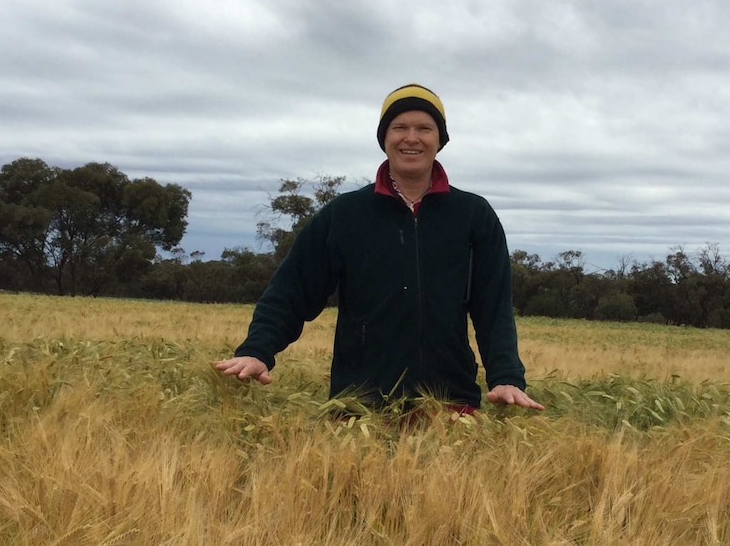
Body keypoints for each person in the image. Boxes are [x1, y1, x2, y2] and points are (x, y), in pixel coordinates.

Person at [215, 83, 543, 412]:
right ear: (384, 139)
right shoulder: (344, 214)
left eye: (424, 128)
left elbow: (494, 307)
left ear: (440, 140)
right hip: (358, 407)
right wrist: (257, 350)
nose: (411, 138)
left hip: (450, 405)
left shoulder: (474, 215)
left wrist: (506, 376)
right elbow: (292, 289)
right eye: (399, 127)